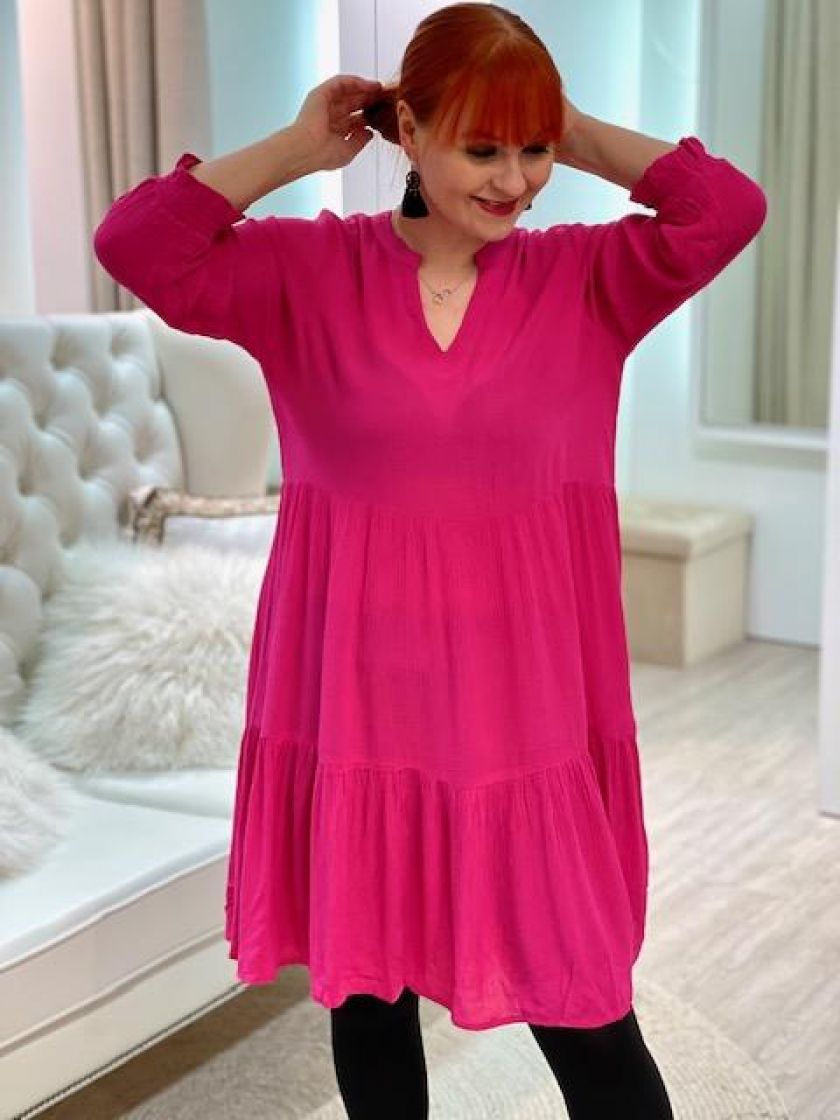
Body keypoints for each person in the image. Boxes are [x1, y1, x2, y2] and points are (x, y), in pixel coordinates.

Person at [92, 4, 767, 1117]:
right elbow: (135, 244)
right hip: (359, 708)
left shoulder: (591, 280)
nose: (516, 181)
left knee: (590, 1015)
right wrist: (296, 149)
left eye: (533, 149)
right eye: (482, 147)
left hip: (526, 719)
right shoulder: (304, 273)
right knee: (370, 1003)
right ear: (408, 131)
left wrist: (565, 127)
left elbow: (726, 207)